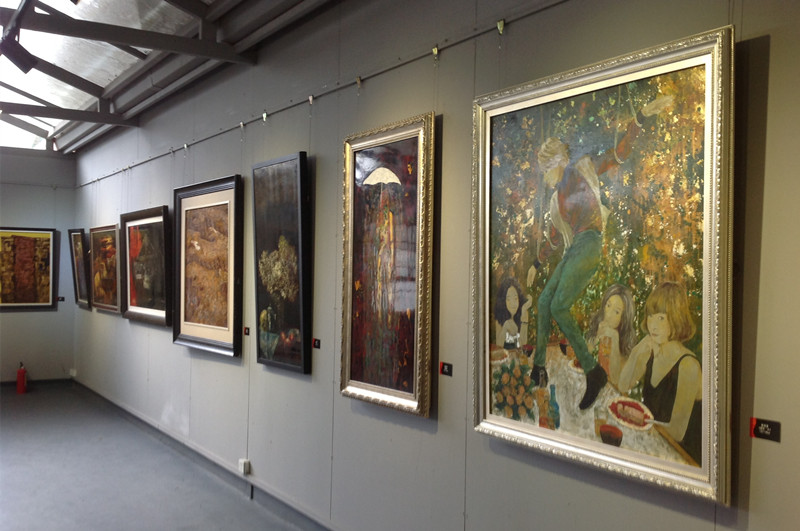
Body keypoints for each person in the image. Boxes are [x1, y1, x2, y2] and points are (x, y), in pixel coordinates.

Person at [526, 94, 673, 410]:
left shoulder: (582, 169)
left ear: (557, 163)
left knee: (559, 305)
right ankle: (538, 368)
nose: (544, 176)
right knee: (544, 301)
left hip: (590, 243)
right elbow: (555, 240)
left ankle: (594, 373)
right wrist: (537, 264)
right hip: (573, 248)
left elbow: (618, 155)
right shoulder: (555, 202)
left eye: (545, 169)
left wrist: (640, 118)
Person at [617, 281, 702, 465]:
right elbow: (623, 385)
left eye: (661, 318)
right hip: (654, 446)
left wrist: (640, 420)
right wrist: (637, 352)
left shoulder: (688, 365)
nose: (653, 326)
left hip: (682, 460)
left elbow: (677, 433)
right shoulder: (652, 351)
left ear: (676, 319)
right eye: (650, 316)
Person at [585, 283, 637, 387]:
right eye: (608, 305)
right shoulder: (597, 328)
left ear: (623, 318)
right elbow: (582, 361)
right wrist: (597, 337)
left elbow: (615, 379)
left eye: (616, 312)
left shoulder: (625, 345)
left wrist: (615, 338)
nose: (608, 314)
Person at [494, 277, 532, 349]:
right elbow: (498, 345)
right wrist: (505, 327)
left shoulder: (523, 313)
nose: (513, 303)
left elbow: (523, 344)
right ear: (503, 301)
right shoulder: (500, 315)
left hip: (518, 354)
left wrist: (524, 312)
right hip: (504, 354)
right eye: (508, 299)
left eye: (515, 298)